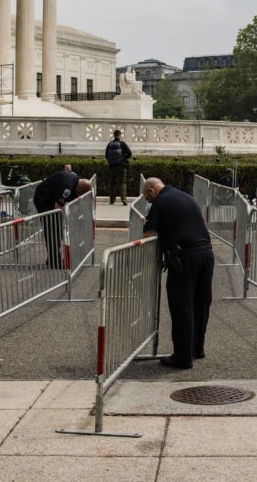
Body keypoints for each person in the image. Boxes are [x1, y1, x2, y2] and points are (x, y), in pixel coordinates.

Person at [142, 177, 214, 370]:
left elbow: (149, 235)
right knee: (201, 304)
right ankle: (197, 349)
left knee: (181, 306)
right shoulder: (185, 197)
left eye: (147, 199)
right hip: (206, 253)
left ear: (151, 192)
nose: (149, 202)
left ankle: (182, 358)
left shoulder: (159, 202)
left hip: (185, 258)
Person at [33, 170, 92, 269]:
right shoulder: (67, 187)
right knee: (52, 230)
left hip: (51, 198)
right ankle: (54, 261)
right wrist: (66, 219)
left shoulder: (76, 180)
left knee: (58, 232)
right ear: (78, 188)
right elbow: (58, 209)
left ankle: (52, 258)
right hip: (43, 200)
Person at [105, 129, 133, 204]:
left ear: (114, 135)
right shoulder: (122, 143)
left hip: (112, 167)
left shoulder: (110, 144)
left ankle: (112, 200)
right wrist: (124, 158)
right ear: (120, 135)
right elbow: (130, 153)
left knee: (113, 183)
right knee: (122, 183)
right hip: (121, 166)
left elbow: (106, 156)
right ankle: (123, 199)